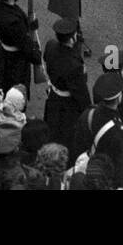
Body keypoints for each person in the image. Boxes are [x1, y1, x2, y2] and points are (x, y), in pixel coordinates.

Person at [42, 18, 90, 153]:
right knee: (67, 135)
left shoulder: (51, 45)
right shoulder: (74, 66)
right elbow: (81, 93)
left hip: (54, 96)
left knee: (52, 127)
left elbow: (46, 58)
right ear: (72, 38)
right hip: (67, 104)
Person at [0, 0, 42, 94]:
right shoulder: (13, 22)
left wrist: (29, 25)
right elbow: (23, 43)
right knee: (16, 93)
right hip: (15, 61)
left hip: (3, 53)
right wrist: (36, 56)